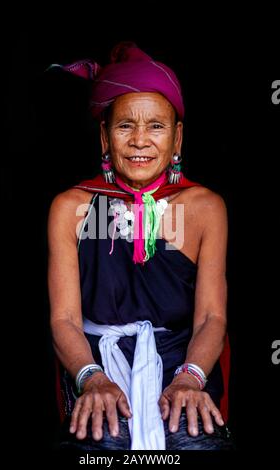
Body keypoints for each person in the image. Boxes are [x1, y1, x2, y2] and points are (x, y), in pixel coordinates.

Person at [47, 42, 233, 451]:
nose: (140, 141)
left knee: (198, 443)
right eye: (125, 125)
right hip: (96, 364)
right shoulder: (71, 208)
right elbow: (63, 320)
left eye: (156, 126)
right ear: (104, 136)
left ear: (177, 136)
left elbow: (211, 318)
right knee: (96, 444)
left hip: (180, 363)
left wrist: (190, 378)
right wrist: (91, 379)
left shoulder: (204, 208)